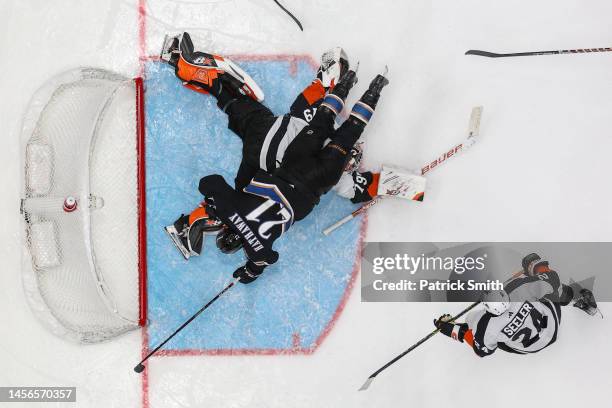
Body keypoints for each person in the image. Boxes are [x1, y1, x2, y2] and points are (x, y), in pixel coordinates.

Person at [160, 33, 389, 283]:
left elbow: (360, 181)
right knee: (242, 126)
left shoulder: (316, 140)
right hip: (261, 164)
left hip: (272, 151)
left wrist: (333, 77)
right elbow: (363, 188)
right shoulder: (339, 179)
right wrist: (402, 186)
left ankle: (199, 73)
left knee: (248, 110)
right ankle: (193, 223)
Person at [433, 253, 599, 357]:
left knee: (479, 334)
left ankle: (454, 329)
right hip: (551, 327)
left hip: (529, 347)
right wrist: (533, 269)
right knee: (544, 282)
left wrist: (453, 331)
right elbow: (552, 279)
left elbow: (481, 351)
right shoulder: (518, 290)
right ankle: (578, 300)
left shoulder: (483, 322)